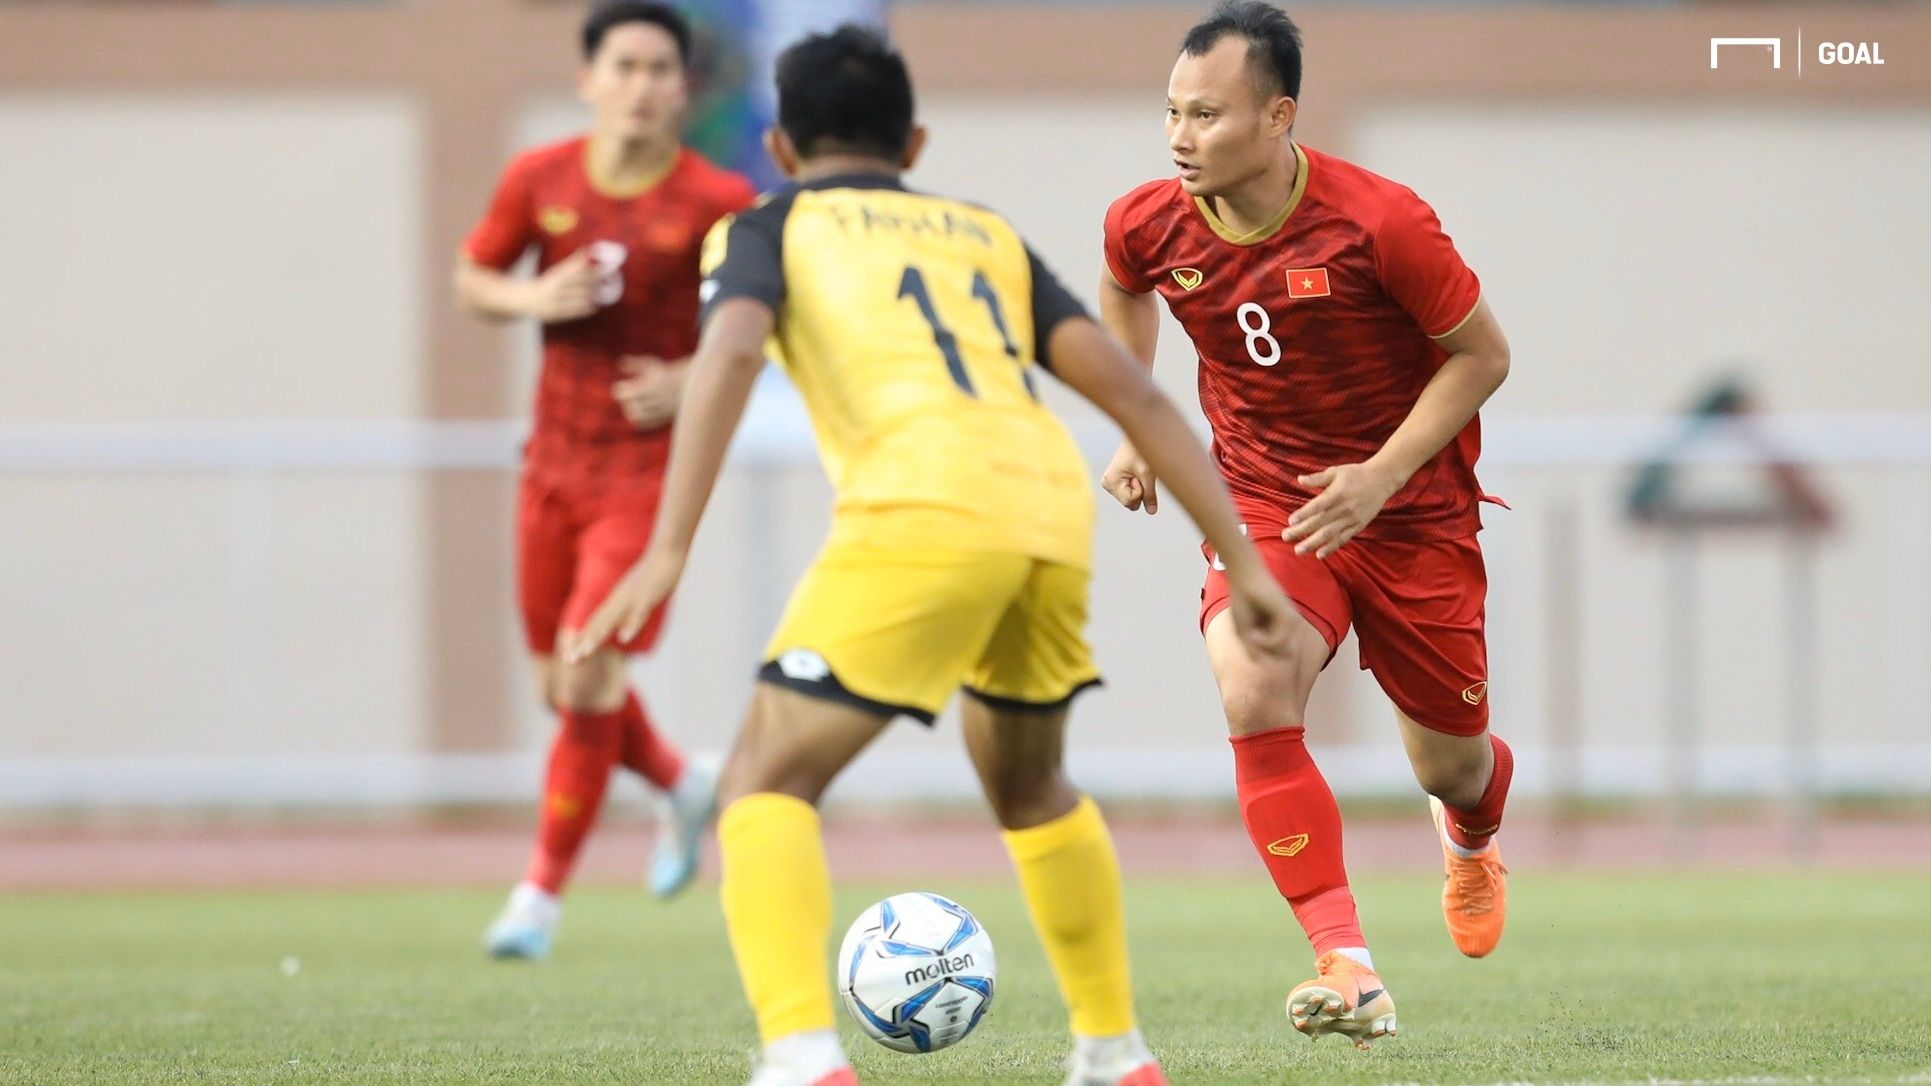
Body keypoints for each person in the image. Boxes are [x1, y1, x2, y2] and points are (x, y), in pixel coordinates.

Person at [567, 25, 1295, 1086]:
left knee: (763, 780)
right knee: (1028, 784)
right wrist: (1244, 558)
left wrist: (667, 545)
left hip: (921, 509)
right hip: (1045, 515)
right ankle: (1113, 1052)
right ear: (912, 144)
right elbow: (1133, 392)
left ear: (777, 148)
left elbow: (727, 346)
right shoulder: (979, 233)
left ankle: (803, 1059)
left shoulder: (768, 226)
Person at [1097, 0, 1516, 1048]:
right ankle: (1345, 961)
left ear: (1277, 116)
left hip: (1407, 512)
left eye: (1205, 115)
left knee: (1448, 767)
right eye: (1170, 113)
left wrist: (1376, 477)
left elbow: (1481, 357)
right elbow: (1121, 284)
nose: (1179, 137)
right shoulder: (1146, 219)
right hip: (1262, 503)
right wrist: (1135, 426)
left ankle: (1468, 837)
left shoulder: (1382, 222)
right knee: (1250, 679)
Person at [453, 0, 756, 960]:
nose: (641, 85)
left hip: (644, 477)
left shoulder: (717, 201)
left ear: (683, 88)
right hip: (550, 468)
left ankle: (537, 898)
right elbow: (473, 277)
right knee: (564, 685)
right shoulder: (537, 178)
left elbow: (763, 326)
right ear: (589, 80)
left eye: (660, 69)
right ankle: (678, 782)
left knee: (587, 671)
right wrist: (531, 295)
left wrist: (689, 377)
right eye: (622, 66)